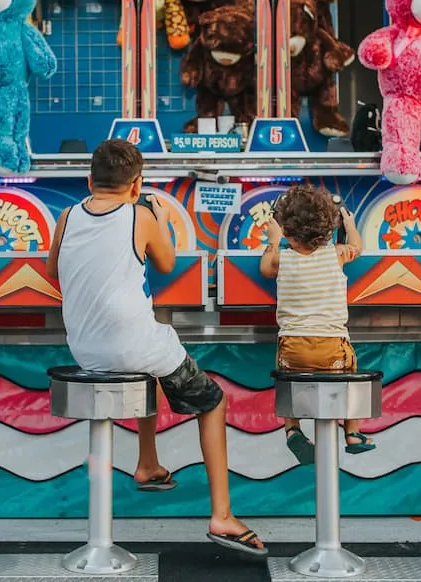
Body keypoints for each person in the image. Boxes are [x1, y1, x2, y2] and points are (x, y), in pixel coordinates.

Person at [46, 139, 266, 558]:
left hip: (85, 352)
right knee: (212, 401)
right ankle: (222, 514)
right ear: (136, 186)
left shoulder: (67, 216)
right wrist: (157, 218)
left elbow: (52, 269)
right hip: (133, 346)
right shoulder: (140, 216)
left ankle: (148, 463)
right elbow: (165, 263)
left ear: (90, 181)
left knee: (148, 362)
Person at [259, 184, 375, 464]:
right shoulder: (336, 255)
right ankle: (352, 431)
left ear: (285, 228)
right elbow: (358, 247)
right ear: (328, 229)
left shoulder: (282, 259)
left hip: (293, 348)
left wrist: (273, 240)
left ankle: (292, 429)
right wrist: (351, 224)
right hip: (332, 348)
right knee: (349, 380)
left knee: (288, 381)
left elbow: (265, 268)